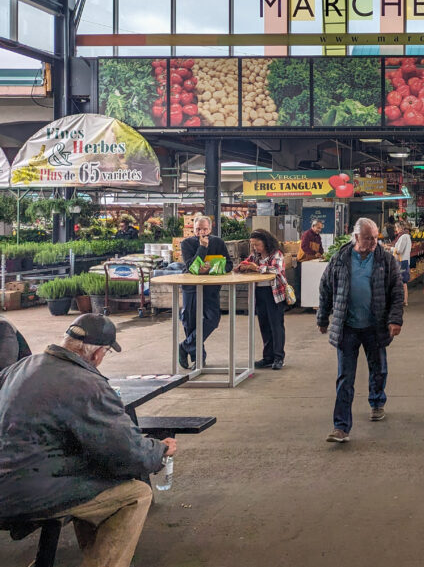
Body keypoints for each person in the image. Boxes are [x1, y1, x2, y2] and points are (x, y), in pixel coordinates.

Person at [0, 314, 174, 567]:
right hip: (23, 493)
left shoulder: (20, 367)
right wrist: (159, 450)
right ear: (96, 354)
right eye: (106, 353)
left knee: (92, 481)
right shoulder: (86, 384)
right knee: (134, 494)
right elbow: (126, 452)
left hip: (13, 479)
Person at [317, 218, 404, 443]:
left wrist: (395, 319)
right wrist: (322, 317)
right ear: (356, 237)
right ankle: (341, 427)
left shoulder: (385, 259)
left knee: (378, 368)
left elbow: (396, 291)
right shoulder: (340, 258)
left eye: (376, 238)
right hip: (347, 327)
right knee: (345, 377)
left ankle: (377, 401)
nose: (374, 242)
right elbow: (326, 288)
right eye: (368, 238)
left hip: (375, 325)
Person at [178, 216, 233, 369]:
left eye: (205, 229)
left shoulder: (218, 242)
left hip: (211, 288)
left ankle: (185, 346)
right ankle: (199, 359)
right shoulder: (187, 243)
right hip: (191, 288)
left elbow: (229, 264)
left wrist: (212, 267)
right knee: (190, 322)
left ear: (210, 229)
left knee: (212, 319)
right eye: (198, 229)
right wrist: (202, 248)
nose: (201, 232)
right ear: (193, 229)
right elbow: (191, 267)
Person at [237, 229, 288, 371]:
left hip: (274, 294)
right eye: (253, 245)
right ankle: (268, 357)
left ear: (266, 242)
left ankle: (279, 357)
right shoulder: (255, 255)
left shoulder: (276, 254)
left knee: (276, 326)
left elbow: (276, 269)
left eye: (257, 244)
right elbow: (247, 262)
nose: (255, 248)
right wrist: (242, 266)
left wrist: (257, 268)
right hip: (259, 293)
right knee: (264, 325)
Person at [393, 220, 413, 307]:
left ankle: (404, 300)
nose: (396, 229)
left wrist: (390, 249)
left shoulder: (404, 237)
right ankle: (404, 300)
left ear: (400, 228)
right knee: (403, 281)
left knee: (402, 281)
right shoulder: (406, 236)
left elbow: (399, 250)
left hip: (402, 261)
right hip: (404, 261)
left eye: (397, 227)